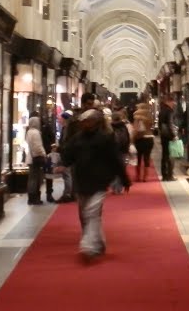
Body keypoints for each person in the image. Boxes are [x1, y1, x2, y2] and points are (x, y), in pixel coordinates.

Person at [60, 108, 130, 260]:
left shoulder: (105, 138)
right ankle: (99, 243)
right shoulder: (78, 138)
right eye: (84, 121)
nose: (86, 124)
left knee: (91, 211)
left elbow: (114, 159)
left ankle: (89, 246)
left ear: (96, 122)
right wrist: (62, 161)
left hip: (99, 182)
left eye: (89, 121)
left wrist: (124, 179)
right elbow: (69, 154)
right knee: (86, 215)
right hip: (82, 181)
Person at [25, 114, 47, 204]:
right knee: (35, 178)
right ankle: (34, 198)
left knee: (32, 178)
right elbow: (38, 146)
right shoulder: (36, 133)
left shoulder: (29, 132)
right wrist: (43, 154)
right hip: (36, 158)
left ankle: (31, 197)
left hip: (31, 158)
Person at [132, 99, 155, 182]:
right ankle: (145, 177)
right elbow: (152, 126)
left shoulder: (137, 117)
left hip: (140, 139)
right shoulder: (149, 116)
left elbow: (137, 129)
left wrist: (132, 138)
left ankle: (138, 176)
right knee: (147, 157)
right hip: (149, 138)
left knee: (138, 158)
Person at [110, 110, 131, 194]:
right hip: (123, 150)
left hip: (112, 150)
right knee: (121, 168)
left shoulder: (109, 127)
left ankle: (114, 187)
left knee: (112, 169)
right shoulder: (124, 126)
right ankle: (119, 188)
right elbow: (127, 138)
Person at [158, 95, 178, 182]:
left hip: (163, 136)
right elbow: (170, 124)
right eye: (173, 101)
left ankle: (164, 175)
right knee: (171, 155)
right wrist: (174, 135)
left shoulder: (162, 110)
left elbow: (160, 125)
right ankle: (170, 175)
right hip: (169, 136)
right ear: (169, 101)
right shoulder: (169, 111)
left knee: (164, 155)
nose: (174, 103)